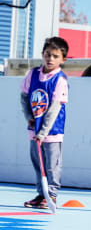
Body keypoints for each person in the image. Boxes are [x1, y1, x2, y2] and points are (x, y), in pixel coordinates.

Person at [21, 37, 69, 209]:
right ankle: (41, 194)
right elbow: (24, 97)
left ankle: (52, 196)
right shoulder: (32, 74)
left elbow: (54, 109)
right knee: (37, 164)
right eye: (48, 54)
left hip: (52, 132)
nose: (50, 59)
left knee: (51, 166)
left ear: (63, 59)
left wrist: (43, 133)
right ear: (42, 54)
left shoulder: (60, 80)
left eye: (55, 56)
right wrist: (29, 117)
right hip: (34, 131)